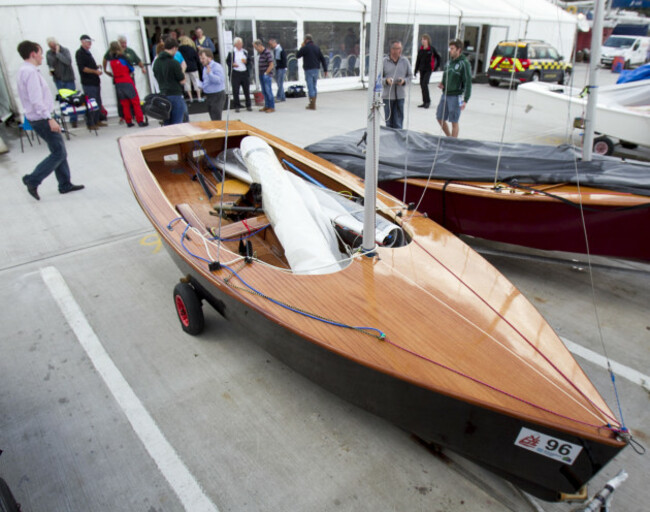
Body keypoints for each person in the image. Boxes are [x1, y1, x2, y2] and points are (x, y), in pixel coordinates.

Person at [17, 40, 84, 201]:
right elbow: (36, 100)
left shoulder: (24, 70)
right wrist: (49, 118)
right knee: (58, 152)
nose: (42, 57)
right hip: (42, 118)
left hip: (38, 117)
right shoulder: (31, 72)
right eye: (40, 53)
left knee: (58, 149)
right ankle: (33, 179)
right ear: (33, 54)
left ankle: (65, 183)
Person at [106, 41, 147, 127]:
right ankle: (140, 120)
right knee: (135, 101)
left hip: (118, 82)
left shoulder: (111, 60)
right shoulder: (123, 58)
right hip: (127, 80)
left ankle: (128, 121)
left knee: (124, 103)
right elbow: (131, 68)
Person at [436, 39, 472, 138]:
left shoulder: (464, 63)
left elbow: (468, 82)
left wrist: (466, 99)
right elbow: (445, 74)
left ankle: (453, 142)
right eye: (450, 48)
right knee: (440, 118)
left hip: (455, 96)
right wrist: (443, 83)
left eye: (452, 49)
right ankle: (449, 137)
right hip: (445, 94)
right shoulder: (449, 62)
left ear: (458, 50)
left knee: (454, 121)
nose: (450, 51)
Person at [153, 37, 188, 125]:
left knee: (167, 124)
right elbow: (182, 81)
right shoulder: (174, 63)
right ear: (174, 48)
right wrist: (183, 70)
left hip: (163, 94)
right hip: (175, 95)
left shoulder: (156, 62)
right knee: (177, 123)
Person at [45, 37, 78, 127]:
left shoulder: (65, 51)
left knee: (71, 99)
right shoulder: (48, 53)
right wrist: (51, 70)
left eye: (53, 46)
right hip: (58, 79)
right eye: (50, 47)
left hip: (68, 78)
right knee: (62, 99)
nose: (52, 48)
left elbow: (68, 62)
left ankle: (73, 119)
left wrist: (58, 53)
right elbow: (50, 64)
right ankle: (64, 118)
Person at [75, 34, 105, 129]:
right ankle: (91, 123)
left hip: (95, 81)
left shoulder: (88, 52)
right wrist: (95, 71)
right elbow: (83, 68)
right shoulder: (80, 53)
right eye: (88, 41)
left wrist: (96, 67)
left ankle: (97, 120)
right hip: (88, 82)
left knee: (98, 102)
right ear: (82, 41)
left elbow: (89, 66)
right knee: (91, 103)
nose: (90, 43)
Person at [382, 40, 411, 129]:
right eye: (396, 49)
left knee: (398, 122)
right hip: (388, 97)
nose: (398, 51)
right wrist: (386, 81)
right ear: (391, 49)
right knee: (389, 123)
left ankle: (398, 140)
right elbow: (378, 78)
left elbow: (410, 76)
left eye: (399, 48)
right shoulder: (384, 61)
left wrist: (404, 81)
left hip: (400, 96)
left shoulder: (405, 61)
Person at [296, 34, 327, 110]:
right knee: (314, 85)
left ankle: (312, 104)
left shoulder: (305, 48)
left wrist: (302, 47)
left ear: (306, 40)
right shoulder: (317, 48)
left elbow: (297, 55)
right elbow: (322, 59)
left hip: (308, 69)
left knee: (310, 86)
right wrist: (325, 69)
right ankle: (313, 102)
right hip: (316, 69)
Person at [414, 34, 441, 109]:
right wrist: (415, 70)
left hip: (428, 69)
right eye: (422, 39)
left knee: (425, 84)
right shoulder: (421, 50)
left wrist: (436, 67)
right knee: (422, 85)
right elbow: (418, 61)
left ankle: (428, 101)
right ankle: (424, 101)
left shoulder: (431, 49)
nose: (423, 41)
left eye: (424, 39)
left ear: (428, 41)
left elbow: (438, 57)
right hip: (422, 69)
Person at [226, 37, 252, 113]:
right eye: (239, 43)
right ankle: (237, 106)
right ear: (235, 44)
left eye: (241, 43)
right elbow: (228, 62)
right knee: (236, 90)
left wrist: (246, 62)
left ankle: (248, 105)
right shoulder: (232, 52)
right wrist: (232, 65)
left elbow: (249, 61)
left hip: (244, 72)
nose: (241, 45)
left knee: (246, 90)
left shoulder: (245, 52)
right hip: (236, 73)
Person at [198, 48, 225, 120]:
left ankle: (219, 130)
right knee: (212, 117)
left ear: (209, 57)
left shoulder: (216, 66)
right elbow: (206, 81)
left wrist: (210, 74)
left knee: (216, 117)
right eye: (200, 58)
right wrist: (201, 85)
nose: (201, 60)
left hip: (216, 95)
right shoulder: (205, 67)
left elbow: (219, 80)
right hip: (208, 95)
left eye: (203, 58)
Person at [178, 36, 203, 102]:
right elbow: (197, 59)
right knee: (196, 82)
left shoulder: (179, 50)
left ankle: (191, 98)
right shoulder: (192, 49)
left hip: (184, 68)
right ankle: (199, 97)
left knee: (187, 83)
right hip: (193, 67)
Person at [254, 40, 275, 113]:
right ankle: (266, 105)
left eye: (256, 48)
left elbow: (271, 64)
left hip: (266, 75)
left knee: (268, 91)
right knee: (264, 91)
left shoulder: (267, 52)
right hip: (261, 75)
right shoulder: (261, 53)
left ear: (259, 45)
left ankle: (271, 107)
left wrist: (266, 73)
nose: (256, 49)